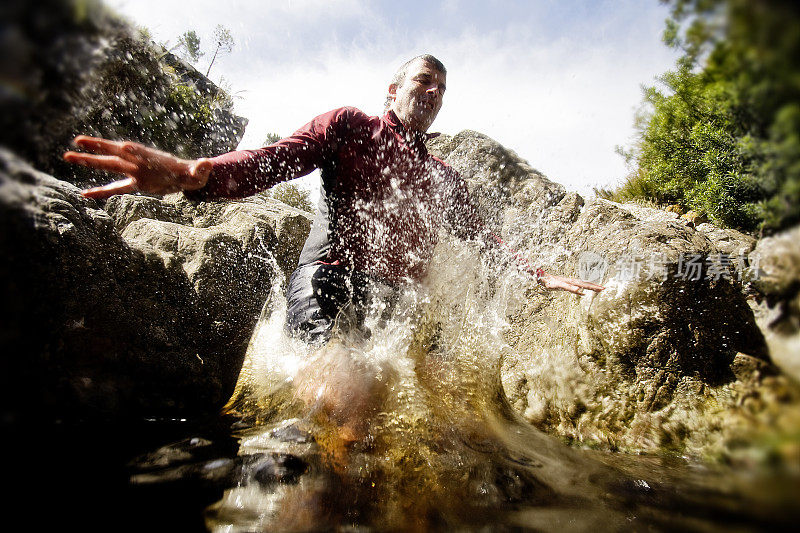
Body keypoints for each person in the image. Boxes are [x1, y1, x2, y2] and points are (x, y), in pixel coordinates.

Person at [64, 54, 603, 347]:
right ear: (392, 91)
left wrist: (543, 276)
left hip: (391, 304)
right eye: (424, 80)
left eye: (442, 89)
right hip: (329, 279)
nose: (434, 93)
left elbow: (485, 240)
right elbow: (275, 160)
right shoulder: (352, 126)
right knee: (341, 406)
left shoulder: (443, 178)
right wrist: (192, 175)